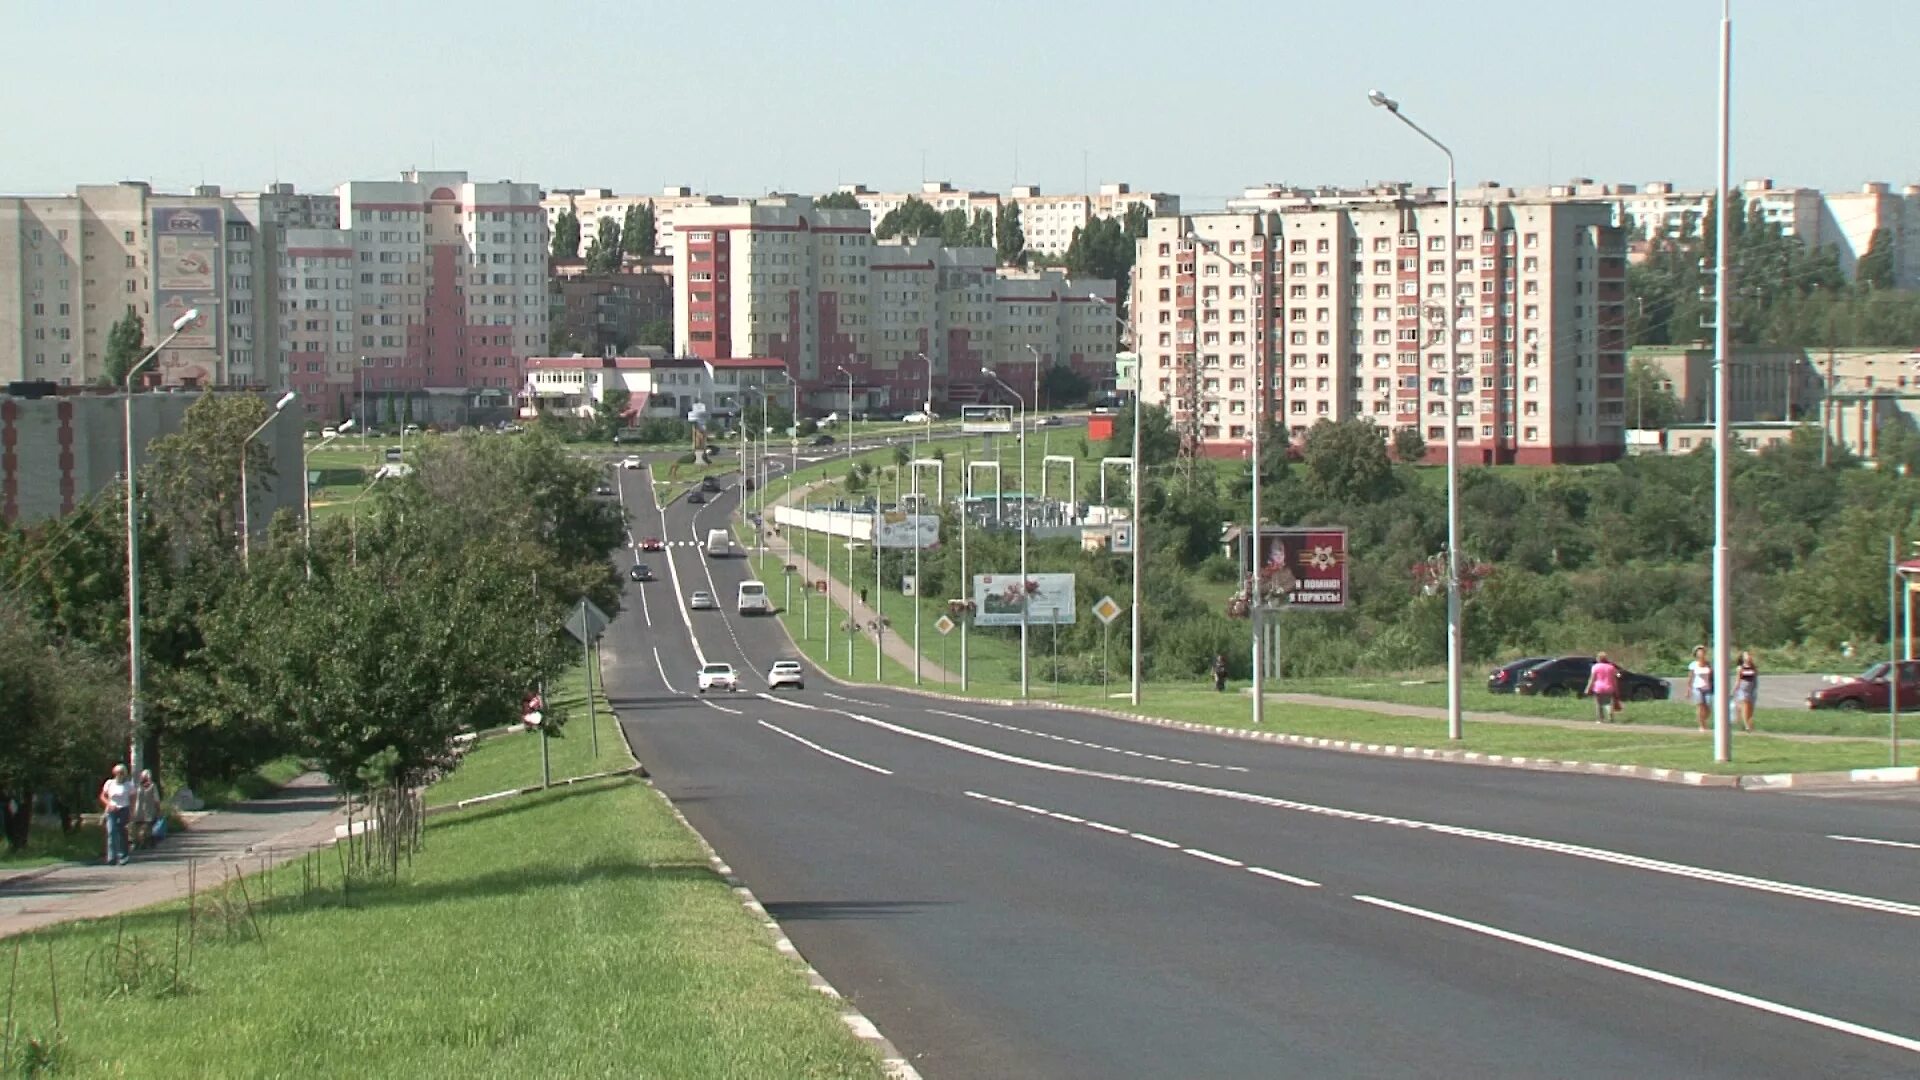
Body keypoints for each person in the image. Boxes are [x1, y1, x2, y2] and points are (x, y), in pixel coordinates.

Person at [98, 764, 132, 866]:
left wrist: (132, 811)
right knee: (111, 831)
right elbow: (102, 796)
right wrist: (108, 804)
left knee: (122, 831)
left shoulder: (128, 785)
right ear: (114, 773)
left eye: (122, 773)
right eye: (118, 773)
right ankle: (111, 857)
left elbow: (133, 799)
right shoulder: (109, 783)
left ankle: (123, 855)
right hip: (112, 809)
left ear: (125, 774)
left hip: (124, 809)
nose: (120, 775)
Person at [1584, 652, 1620, 724]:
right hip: (1609, 687)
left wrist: (1588, 688)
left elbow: (1592, 679)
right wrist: (1616, 687)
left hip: (1598, 687)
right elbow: (1617, 676)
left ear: (1598, 659)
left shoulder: (1595, 667)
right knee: (1608, 703)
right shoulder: (1611, 667)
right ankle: (1610, 717)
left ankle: (1600, 719)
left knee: (1599, 704)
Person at [132, 770, 161, 849]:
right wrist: (158, 810)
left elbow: (156, 800)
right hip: (144, 811)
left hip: (140, 811)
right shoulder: (151, 786)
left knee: (143, 828)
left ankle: (142, 842)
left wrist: (158, 809)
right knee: (145, 828)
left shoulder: (139, 786)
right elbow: (156, 800)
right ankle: (144, 842)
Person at [1687, 645, 1713, 732]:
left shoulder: (1708, 664)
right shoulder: (1693, 665)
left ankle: (1703, 720)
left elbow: (1712, 676)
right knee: (1700, 707)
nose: (1701, 654)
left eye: (1702, 652)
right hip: (1697, 688)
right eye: (1699, 652)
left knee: (1708, 708)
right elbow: (1690, 678)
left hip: (1708, 688)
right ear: (1696, 654)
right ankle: (1702, 726)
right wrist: (1688, 689)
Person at [1734, 650, 1759, 733]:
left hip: (1751, 690)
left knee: (1750, 710)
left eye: (1748, 655)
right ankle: (1747, 726)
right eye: (1746, 655)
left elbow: (1755, 678)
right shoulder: (1740, 668)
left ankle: (1748, 725)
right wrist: (1735, 690)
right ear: (1743, 658)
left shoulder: (1753, 667)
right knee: (1745, 706)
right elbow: (1738, 680)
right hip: (1742, 690)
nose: (1748, 656)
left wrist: (1755, 689)